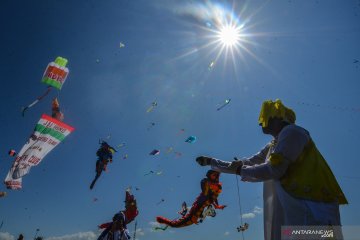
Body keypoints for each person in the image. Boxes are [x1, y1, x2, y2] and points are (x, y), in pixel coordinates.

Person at [196, 99, 348, 240]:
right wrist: (212, 162)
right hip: (292, 204)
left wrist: (239, 170)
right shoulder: (274, 144)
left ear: (278, 118)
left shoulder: (292, 132)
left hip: (310, 205)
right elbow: (246, 163)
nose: (261, 122)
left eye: (266, 117)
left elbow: (274, 169)